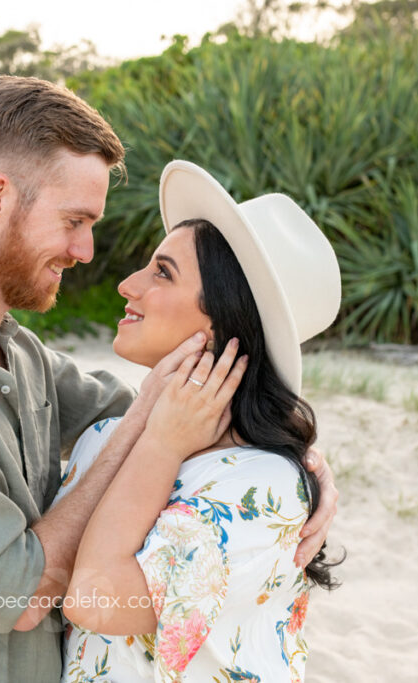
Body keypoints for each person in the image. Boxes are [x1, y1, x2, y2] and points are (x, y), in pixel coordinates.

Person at [0, 77, 338, 682]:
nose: (86, 251)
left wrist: (299, 460)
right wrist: (149, 429)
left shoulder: (22, 357)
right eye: (74, 220)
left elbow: (195, 426)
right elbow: (17, 595)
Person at [55, 160, 343, 682]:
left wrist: (163, 447)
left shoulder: (264, 488)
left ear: (223, 324)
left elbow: (94, 599)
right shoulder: (102, 439)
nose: (127, 285)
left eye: (162, 272)